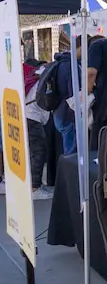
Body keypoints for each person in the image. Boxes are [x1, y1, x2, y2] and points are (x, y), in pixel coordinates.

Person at [23, 61, 53, 200]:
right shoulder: (44, 82)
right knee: (39, 151)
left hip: (28, 116)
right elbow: (46, 101)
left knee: (33, 151)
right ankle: (35, 187)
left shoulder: (35, 79)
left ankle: (33, 184)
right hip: (33, 118)